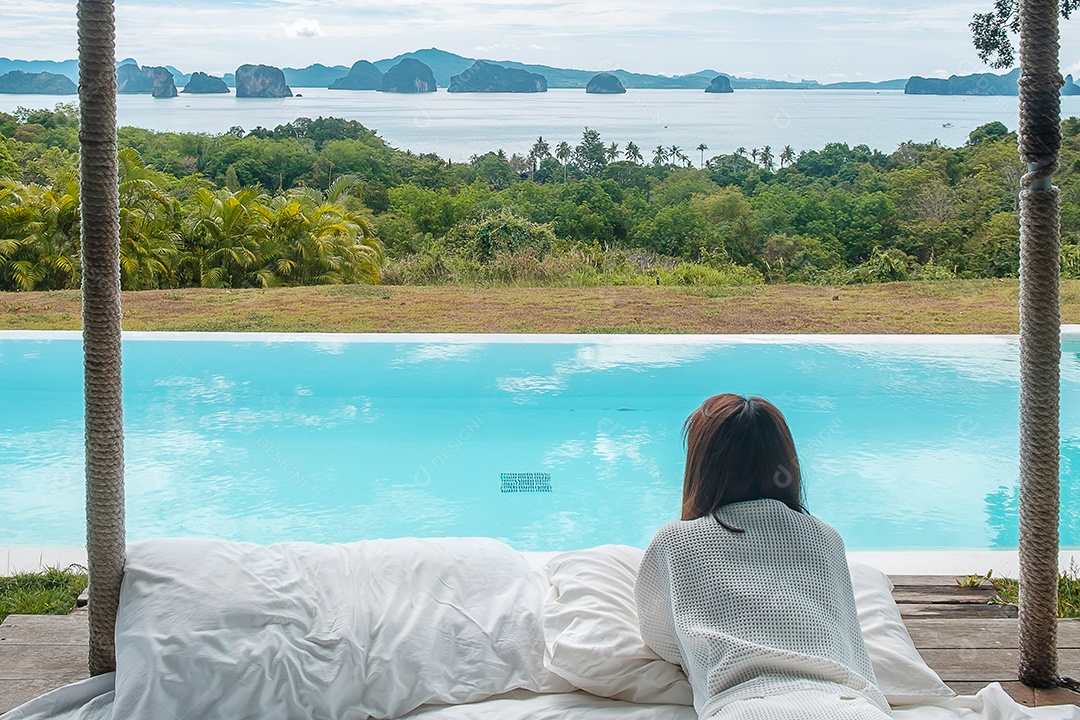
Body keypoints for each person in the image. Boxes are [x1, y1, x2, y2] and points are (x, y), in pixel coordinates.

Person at [634, 394, 891, 720]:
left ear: (701, 466)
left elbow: (661, 639)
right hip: (850, 707)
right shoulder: (825, 538)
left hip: (746, 708)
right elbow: (849, 638)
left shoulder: (676, 541)